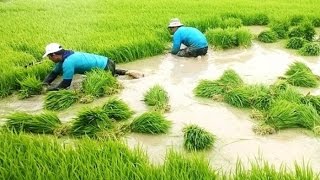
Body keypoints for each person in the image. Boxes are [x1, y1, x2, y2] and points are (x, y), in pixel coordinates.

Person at [42, 43, 142, 91]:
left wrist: (49, 90)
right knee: (108, 73)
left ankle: (128, 79)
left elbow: (66, 84)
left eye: (49, 57)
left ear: (54, 55)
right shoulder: (65, 58)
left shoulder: (68, 62)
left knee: (106, 87)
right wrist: (45, 83)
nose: (49, 59)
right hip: (107, 63)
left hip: (106, 66)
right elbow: (54, 73)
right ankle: (129, 72)